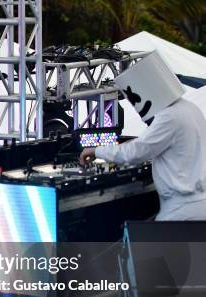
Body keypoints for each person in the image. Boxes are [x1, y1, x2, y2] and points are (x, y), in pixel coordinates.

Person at [80, 51, 206, 221]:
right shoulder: (190, 109)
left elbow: (135, 153)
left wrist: (95, 151)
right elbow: (160, 143)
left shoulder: (169, 117)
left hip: (181, 208)